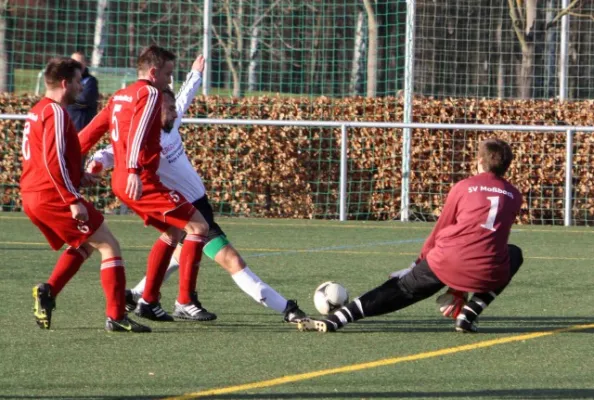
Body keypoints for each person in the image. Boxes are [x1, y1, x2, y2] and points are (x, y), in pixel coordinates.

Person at [87, 53, 307, 323]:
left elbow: (184, 98)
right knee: (231, 260)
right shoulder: (142, 139)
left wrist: (196, 74)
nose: (175, 112)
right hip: (185, 207)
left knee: (176, 249)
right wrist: (95, 164)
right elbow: (110, 152)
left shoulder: (169, 124)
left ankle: (140, 296)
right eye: (168, 108)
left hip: (196, 205)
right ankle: (286, 309)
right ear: (152, 111)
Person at [297, 138, 524, 333]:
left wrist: (416, 263)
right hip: (488, 271)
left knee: (402, 290)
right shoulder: (515, 195)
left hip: (445, 261)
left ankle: (338, 318)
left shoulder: (463, 186)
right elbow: (487, 239)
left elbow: (441, 228)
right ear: (508, 166)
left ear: (480, 162)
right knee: (513, 254)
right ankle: (470, 313)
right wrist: (459, 290)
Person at [78, 45, 213, 323]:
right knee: (198, 226)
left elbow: (91, 131)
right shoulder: (149, 92)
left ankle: (149, 301)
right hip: (140, 180)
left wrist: (74, 162)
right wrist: (133, 171)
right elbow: (139, 132)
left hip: (125, 181)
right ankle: (185, 300)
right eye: (167, 74)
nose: (169, 81)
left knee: (174, 233)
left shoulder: (119, 96)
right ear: (153, 73)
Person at [20, 57, 150, 333]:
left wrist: (80, 178)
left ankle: (49, 291)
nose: (82, 86)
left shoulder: (38, 110)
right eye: (79, 81)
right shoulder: (54, 112)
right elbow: (51, 162)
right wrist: (72, 199)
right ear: (65, 83)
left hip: (35, 193)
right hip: (51, 195)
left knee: (86, 243)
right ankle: (116, 316)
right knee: (109, 245)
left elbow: (52, 159)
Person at [66, 52, 99, 131]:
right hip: (67, 125)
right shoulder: (66, 80)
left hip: (82, 127)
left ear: (85, 64)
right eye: (74, 63)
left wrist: (67, 98)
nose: (76, 66)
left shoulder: (90, 81)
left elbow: (84, 99)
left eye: (79, 63)